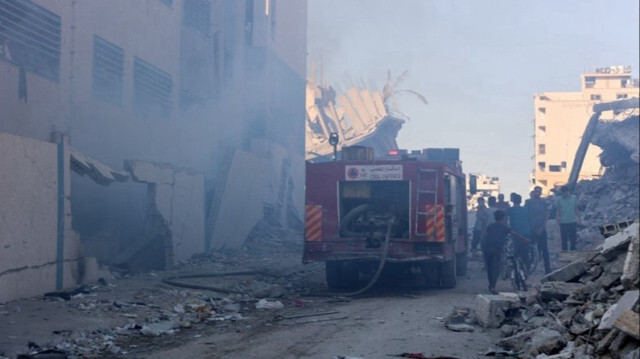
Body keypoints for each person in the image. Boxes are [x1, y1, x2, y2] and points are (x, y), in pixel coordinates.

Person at [482, 210, 529, 294]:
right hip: (497, 250)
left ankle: (490, 285)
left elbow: (486, 235)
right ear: (503, 218)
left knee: (489, 268)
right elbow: (515, 234)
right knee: (496, 268)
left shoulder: (490, 226)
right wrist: (525, 239)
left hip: (487, 249)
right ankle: (493, 287)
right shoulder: (504, 227)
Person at [525, 186, 551, 274]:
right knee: (530, 250)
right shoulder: (528, 202)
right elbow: (526, 215)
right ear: (534, 192)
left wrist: (542, 227)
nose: (537, 193)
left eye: (539, 191)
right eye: (536, 191)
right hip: (531, 229)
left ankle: (548, 269)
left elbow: (546, 215)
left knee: (544, 250)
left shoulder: (543, 202)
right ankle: (528, 268)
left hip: (541, 229)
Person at [507, 193, 532, 270]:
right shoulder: (525, 209)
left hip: (516, 233)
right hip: (526, 232)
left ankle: (516, 270)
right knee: (525, 252)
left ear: (512, 200)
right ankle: (527, 268)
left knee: (516, 252)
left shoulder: (510, 210)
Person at [555, 185, 582, 251]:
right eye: (563, 192)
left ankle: (573, 250)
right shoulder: (559, 199)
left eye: (566, 192)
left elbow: (576, 209)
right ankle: (565, 251)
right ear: (562, 192)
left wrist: (580, 219)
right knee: (564, 238)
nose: (565, 194)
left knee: (573, 238)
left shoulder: (574, 198)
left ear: (568, 191)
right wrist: (557, 218)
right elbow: (558, 210)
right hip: (563, 222)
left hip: (572, 221)